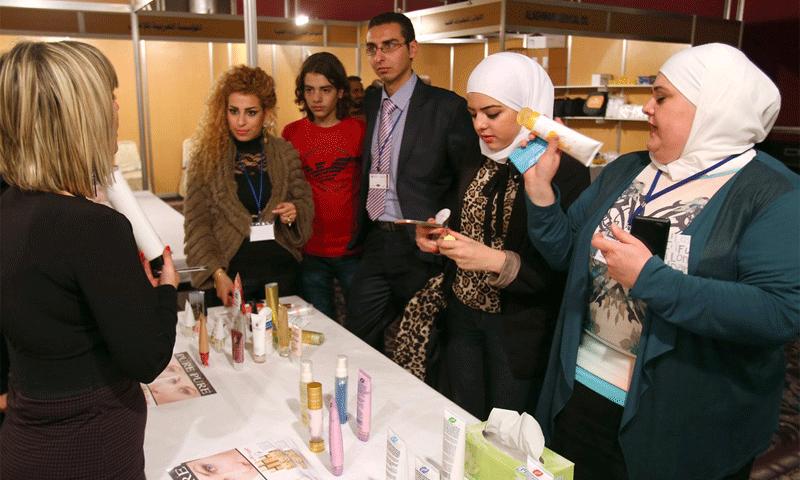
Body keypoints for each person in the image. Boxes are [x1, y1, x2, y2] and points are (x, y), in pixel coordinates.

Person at [524, 43, 799, 480]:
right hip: (580, 390)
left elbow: (780, 313)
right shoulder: (627, 169)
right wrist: (540, 191)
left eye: (662, 97)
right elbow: (564, 254)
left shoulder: (771, 193)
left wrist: (652, 279)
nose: (646, 109)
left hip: (681, 417)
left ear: (713, 108)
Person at [0, 40, 179, 479]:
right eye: (109, 98)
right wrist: (166, 290)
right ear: (80, 116)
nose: (118, 110)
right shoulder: (92, 226)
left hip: (26, 438)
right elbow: (148, 357)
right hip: (90, 449)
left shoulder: (10, 207)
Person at [396, 53, 589, 419]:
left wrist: (496, 261)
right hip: (463, 313)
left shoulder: (565, 173)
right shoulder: (476, 155)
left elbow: (562, 267)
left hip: (516, 328)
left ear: (528, 109)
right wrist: (436, 233)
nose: (480, 125)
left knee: (506, 433)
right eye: (473, 114)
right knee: (462, 418)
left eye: (493, 113)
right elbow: (462, 218)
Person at [345, 11, 481, 353]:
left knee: (425, 344)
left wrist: (445, 231)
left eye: (390, 46)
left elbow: (467, 182)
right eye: (372, 48)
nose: (380, 57)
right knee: (357, 336)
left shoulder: (446, 108)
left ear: (412, 48)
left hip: (421, 245)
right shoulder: (374, 101)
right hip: (377, 239)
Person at [184, 65, 313, 306]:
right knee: (232, 343)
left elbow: (304, 206)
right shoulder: (206, 158)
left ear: (266, 114)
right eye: (234, 111)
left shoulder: (285, 154)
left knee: (284, 342)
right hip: (230, 277)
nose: (240, 121)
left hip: (281, 273)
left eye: (251, 112)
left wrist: (294, 213)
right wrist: (218, 274)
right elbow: (197, 226)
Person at [282, 52, 366, 321]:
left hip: (353, 248)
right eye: (309, 90)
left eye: (325, 90)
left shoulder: (360, 130)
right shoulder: (291, 133)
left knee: (363, 323)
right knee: (320, 324)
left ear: (340, 92)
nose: (316, 98)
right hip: (310, 248)